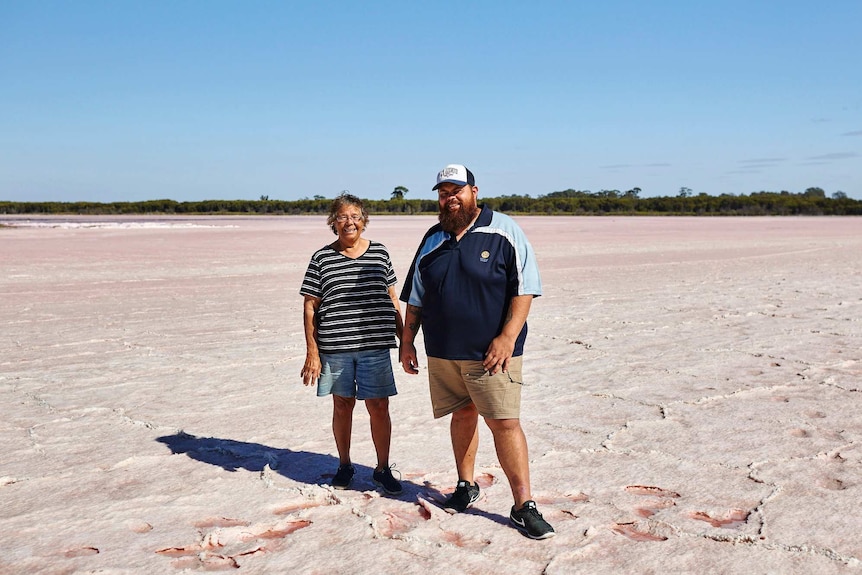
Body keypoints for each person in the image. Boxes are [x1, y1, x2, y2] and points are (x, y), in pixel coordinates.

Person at [399, 164, 555, 539]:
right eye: (443, 192)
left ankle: (523, 506)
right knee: (462, 414)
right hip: (443, 351)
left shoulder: (503, 230)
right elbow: (416, 298)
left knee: (504, 423)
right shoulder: (433, 237)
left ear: (474, 191)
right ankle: (466, 486)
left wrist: (507, 337)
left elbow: (525, 289)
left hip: (492, 353)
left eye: (457, 190)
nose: (450, 198)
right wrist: (407, 342)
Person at [300, 193, 404, 495]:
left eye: (356, 216)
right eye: (343, 217)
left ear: (364, 221)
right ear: (334, 222)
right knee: (342, 405)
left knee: (379, 406)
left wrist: (405, 340)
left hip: (375, 345)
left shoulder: (380, 253)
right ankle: (344, 465)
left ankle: (382, 468)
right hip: (336, 347)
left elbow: (392, 297)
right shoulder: (322, 257)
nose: (350, 222)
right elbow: (310, 307)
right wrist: (313, 353)